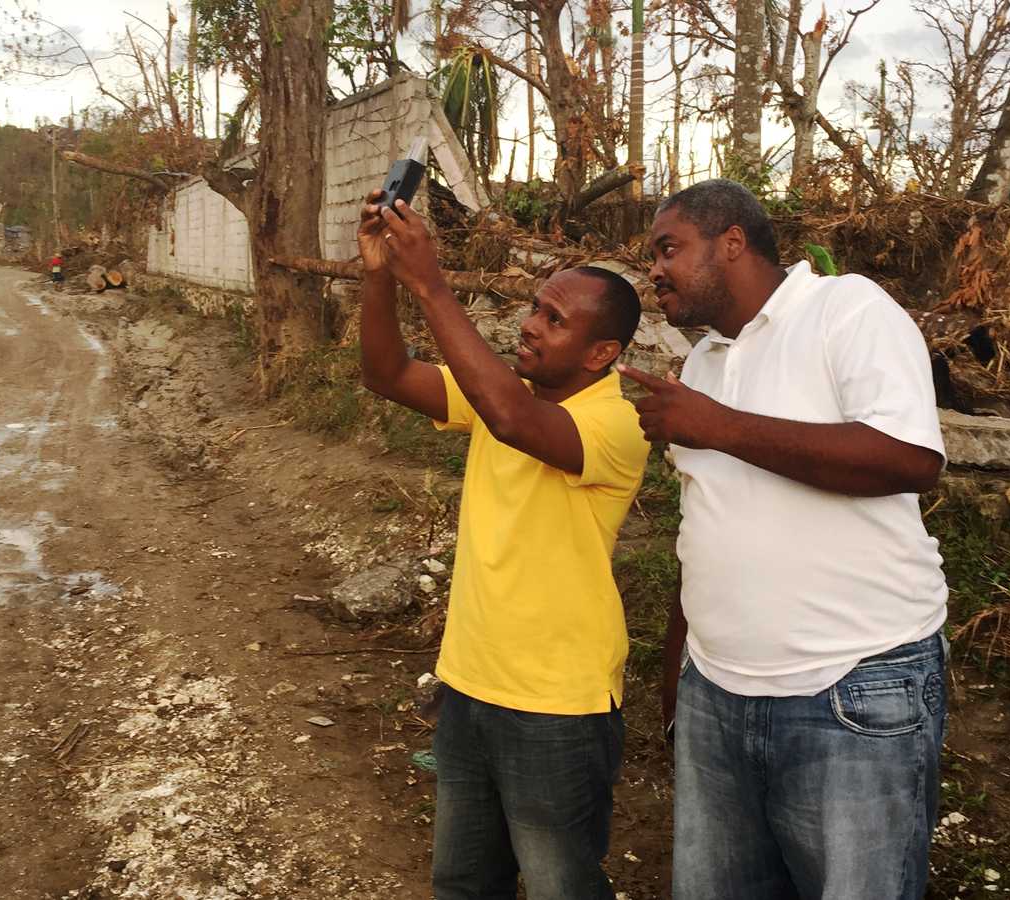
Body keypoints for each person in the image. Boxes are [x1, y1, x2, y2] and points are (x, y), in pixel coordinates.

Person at [618, 179, 949, 900]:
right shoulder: (704, 363)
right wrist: (680, 678)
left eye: (668, 248)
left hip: (853, 688)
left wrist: (719, 427)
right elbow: (705, 523)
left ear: (732, 242)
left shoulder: (846, 309)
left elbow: (910, 459)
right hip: (717, 695)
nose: (655, 270)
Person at [357, 191, 650, 900]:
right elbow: (387, 375)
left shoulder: (616, 426)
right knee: (463, 883)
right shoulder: (503, 391)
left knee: (561, 888)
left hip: (558, 705)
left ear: (602, 352)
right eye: (534, 308)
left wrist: (430, 283)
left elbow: (514, 421)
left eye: (555, 319)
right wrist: (380, 275)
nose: (530, 326)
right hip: (467, 684)